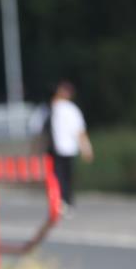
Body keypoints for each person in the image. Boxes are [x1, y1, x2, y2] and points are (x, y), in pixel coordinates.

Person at [44, 81, 93, 215]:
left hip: (68, 149)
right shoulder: (51, 108)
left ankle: (67, 201)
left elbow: (79, 131)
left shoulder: (71, 109)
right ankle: (60, 201)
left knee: (66, 177)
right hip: (55, 149)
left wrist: (86, 148)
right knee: (58, 177)